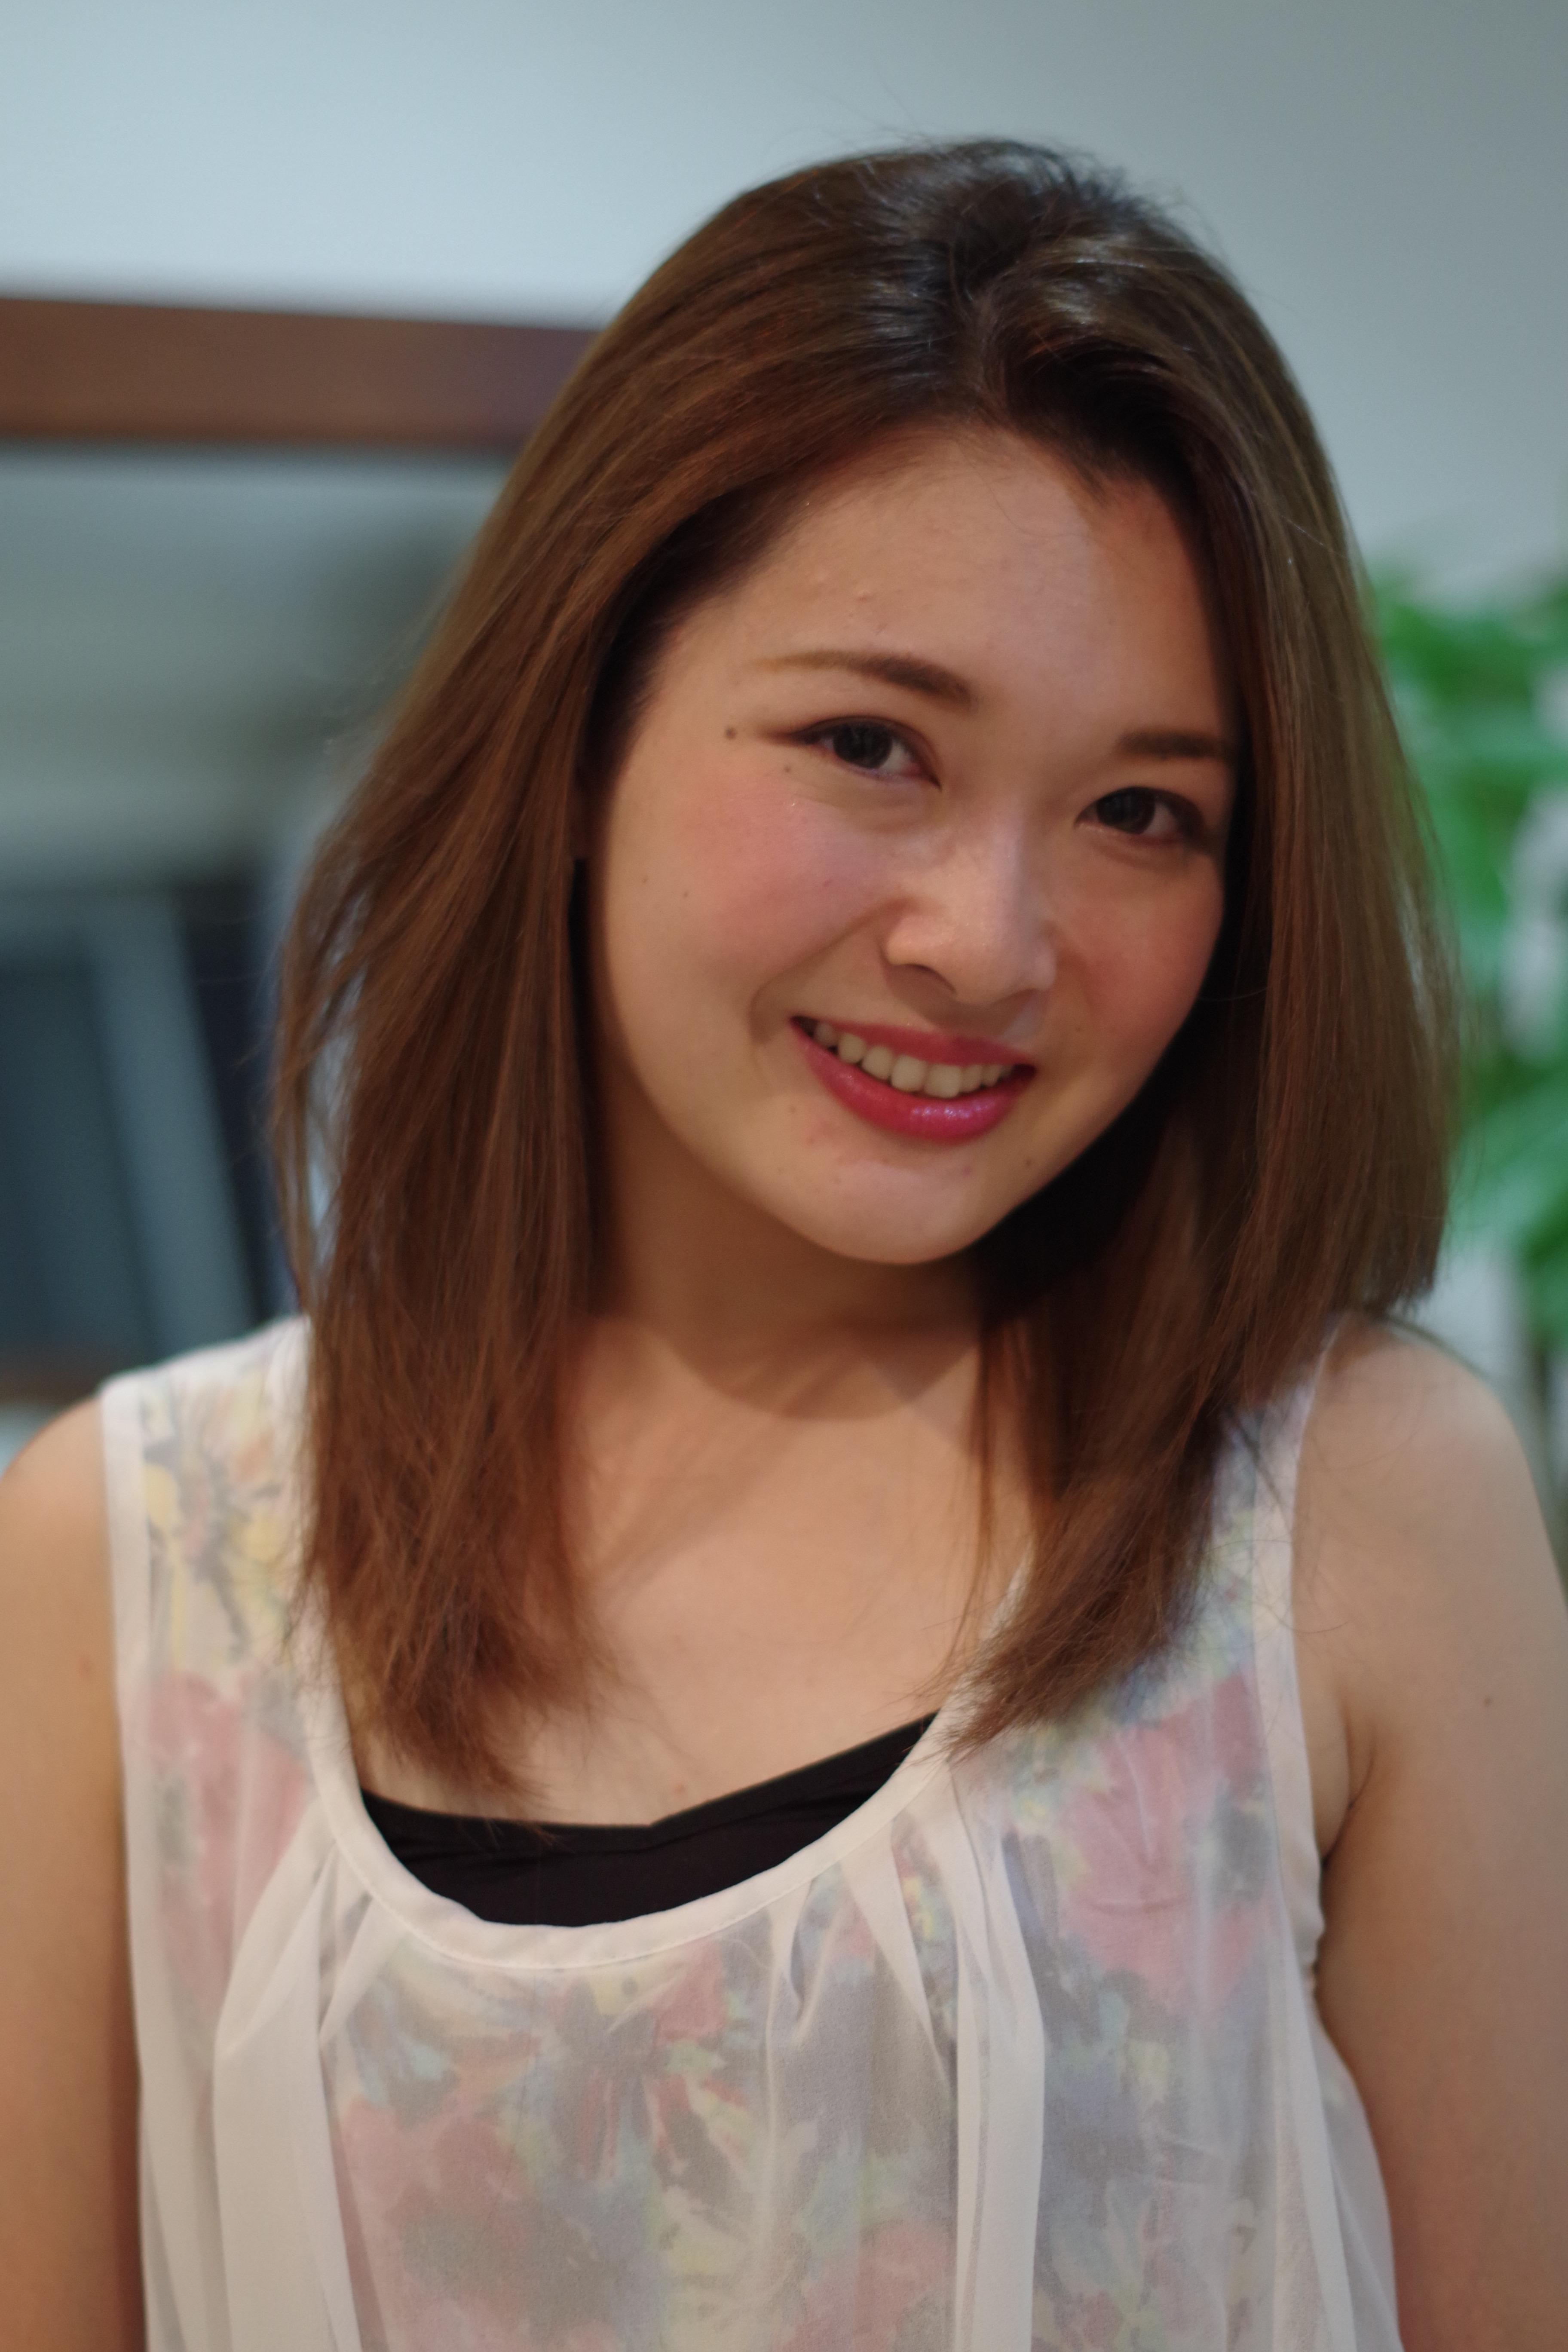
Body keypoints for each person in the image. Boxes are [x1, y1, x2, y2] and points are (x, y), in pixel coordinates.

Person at [2, 141, 1565, 2352]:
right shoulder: (142, 1556)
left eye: (1143, 811)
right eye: (872, 745)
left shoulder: (1350, 1515)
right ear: (580, 735)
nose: (988, 942)